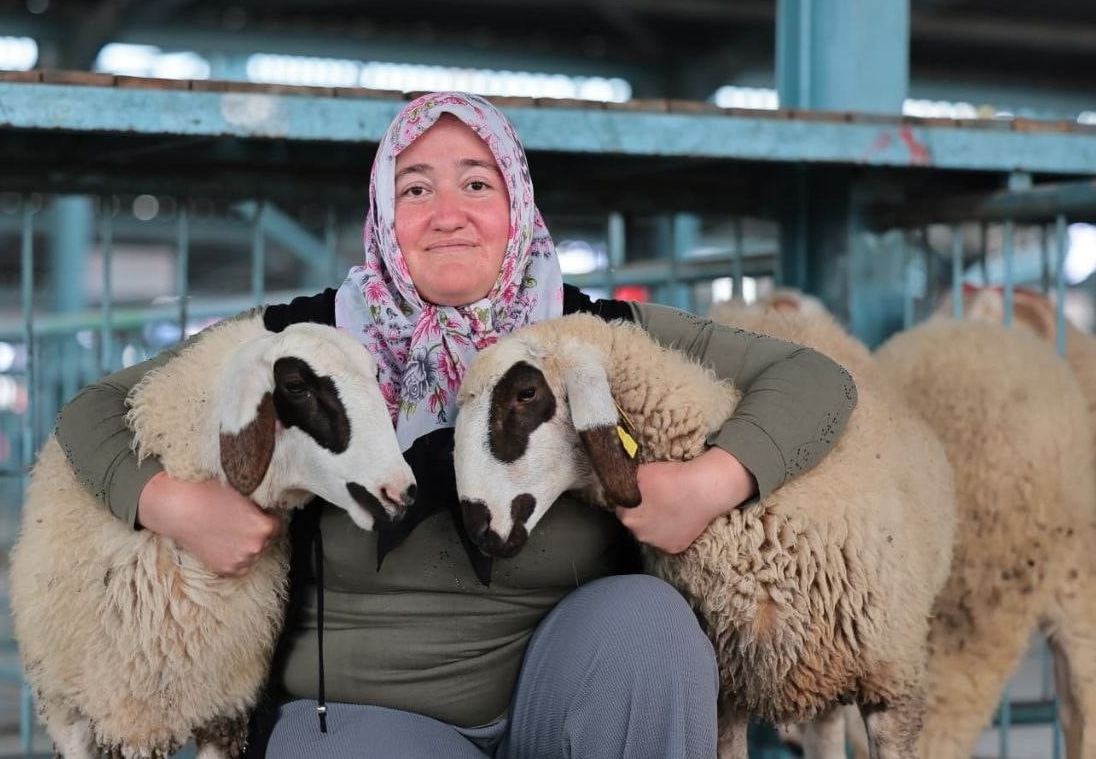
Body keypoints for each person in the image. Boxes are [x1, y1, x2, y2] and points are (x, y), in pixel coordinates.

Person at [55, 92, 857, 758]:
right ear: (382, 215)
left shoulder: (592, 333)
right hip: (368, 717)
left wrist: (705, 483)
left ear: (517, 205)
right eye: (415, 188)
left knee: (653, 628)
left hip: (562, 691)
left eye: (477, 184)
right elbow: (93, 411)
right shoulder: (301, 342)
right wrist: (181, 507)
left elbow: (814, 378)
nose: (448, 214)